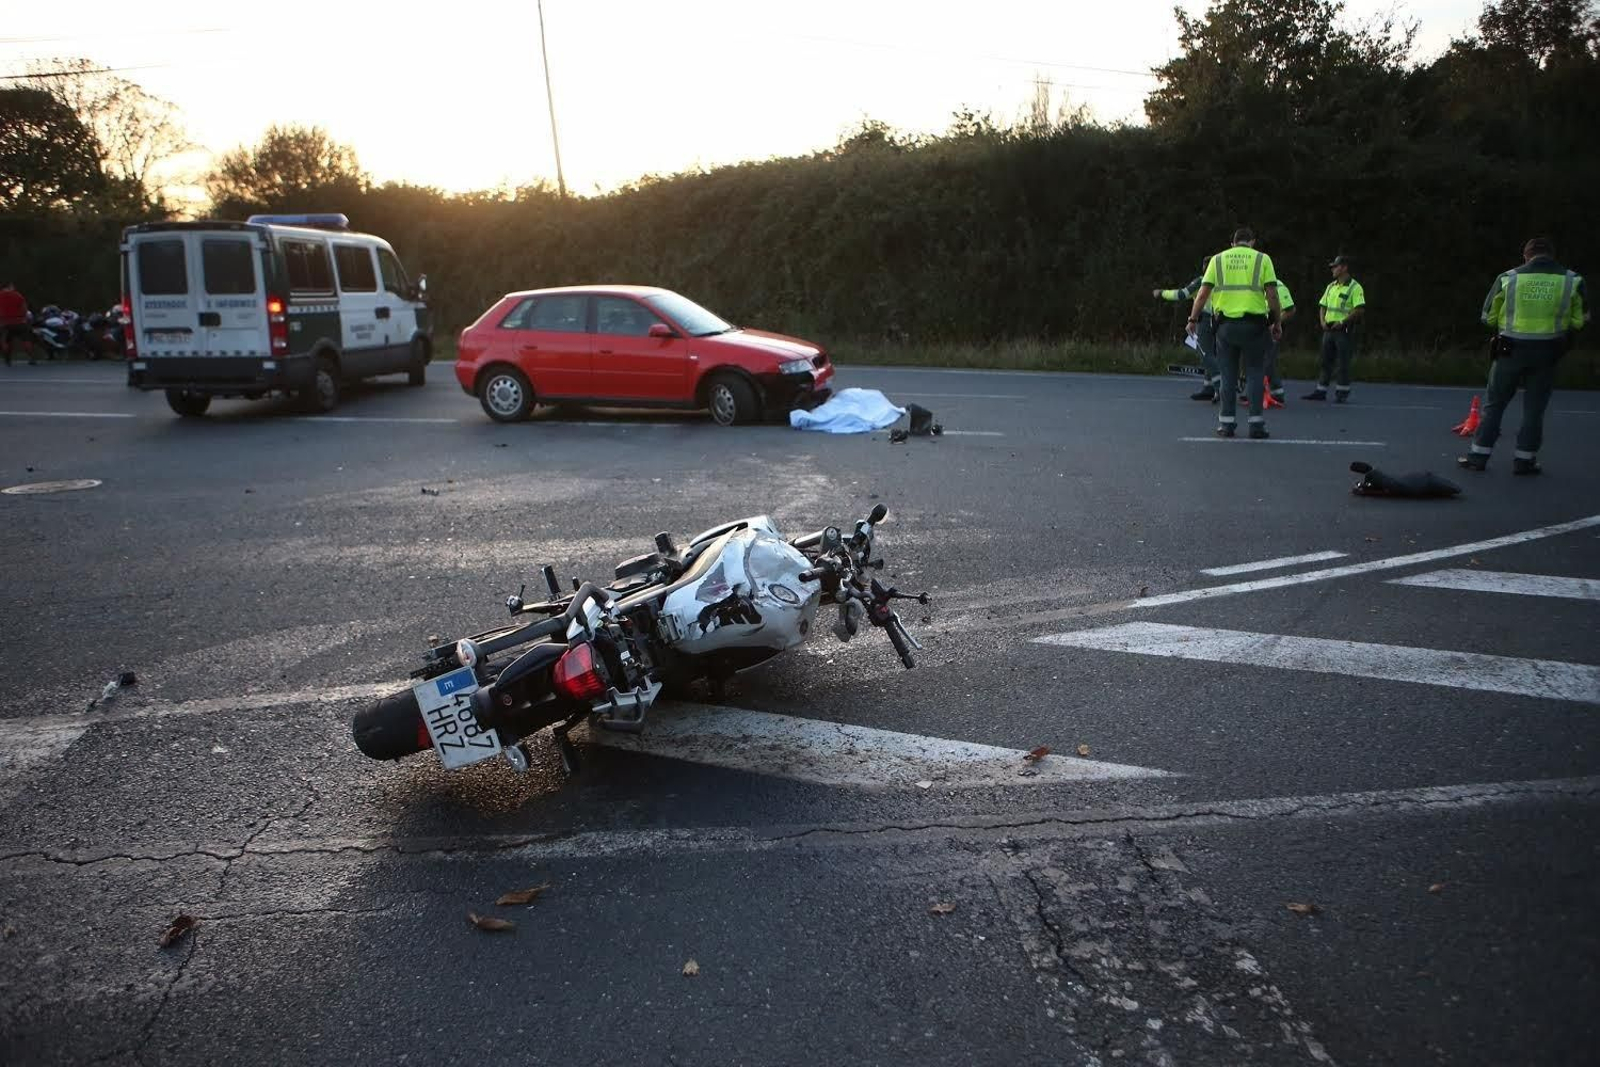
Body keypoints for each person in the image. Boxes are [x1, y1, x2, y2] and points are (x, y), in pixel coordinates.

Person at [1459, 237, 1587, 475]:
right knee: (1534, 409)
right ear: (1552, 255)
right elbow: (1580, 321)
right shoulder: (1572, 280)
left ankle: (1478, 457)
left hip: (1510, 350)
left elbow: (1488, 318)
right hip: (1549, 352)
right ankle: (1524, 461)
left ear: (1526, 256)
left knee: (1495, 405)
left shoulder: (1509, 278)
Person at [1187, 227, 1283, 439]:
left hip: (1226, 327)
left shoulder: (1218, 259)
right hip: (1255, 326)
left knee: (1228, 374)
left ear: (1232, 243)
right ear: (1253, 242)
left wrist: (1193, 319)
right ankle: (1256, 424)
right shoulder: (1262, 259)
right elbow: (1273, 295)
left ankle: (1226, 424)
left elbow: (1202, 294)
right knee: (1255, 372)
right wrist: (1276, 322)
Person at [1154, 259, 1220, 401]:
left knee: (1206, 355)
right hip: (1222, 320)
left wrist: (1161, 293)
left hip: (1206, 320)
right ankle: (1209, 388)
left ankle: (1221, 387)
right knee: (1213, 354)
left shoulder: (1202, 281)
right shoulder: (1223, 282)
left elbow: (1181, 294)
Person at [1305, 255, 1365, 402]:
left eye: (1335, 266)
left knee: (1343, 362)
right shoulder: (1331, 286)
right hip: (1329, 328)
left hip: (1343, 329)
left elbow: (1359, 309)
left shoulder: (1354, 287)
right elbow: (1322, 306)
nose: (1332, 269)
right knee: (1325, 360)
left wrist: (1343, 321)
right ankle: (1321, 391)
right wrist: (1322, 321)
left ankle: (1341, 393)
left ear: (1344, 268)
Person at [1240, 278, 1295, 405]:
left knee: (1265, 362)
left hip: (1271, 329)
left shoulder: (1278, 286)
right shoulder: (1255, 285)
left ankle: (1253, 393)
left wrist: (1275, 323)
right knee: (1262, 361)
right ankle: (1277, 392)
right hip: (1256, 327)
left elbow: (1290, 309)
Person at [0, 282, 32, 367]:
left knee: (6, 341)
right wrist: (24, 317)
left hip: (5, 322)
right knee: (26, 339)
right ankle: (31, 358)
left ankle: (7, 360)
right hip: (20, 321)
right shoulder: (17, 295)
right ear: (9, 286)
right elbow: (24, 307)